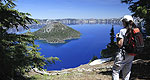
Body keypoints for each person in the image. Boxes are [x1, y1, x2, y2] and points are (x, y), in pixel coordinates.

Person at [112, 15, 136, 80]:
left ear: (125, 22)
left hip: (123, 54)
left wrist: (117, 38)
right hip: (131, 54)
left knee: (115, 71)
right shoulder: (135, 30)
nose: (122, 23)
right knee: (127, 72)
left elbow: (120, 44)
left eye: (123, 21)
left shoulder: (123, 31)